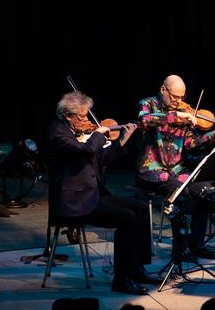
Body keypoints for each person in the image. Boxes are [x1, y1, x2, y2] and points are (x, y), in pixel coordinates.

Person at [44, 91, 160, 295]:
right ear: (68, 116)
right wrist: (99, 133)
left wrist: (123, 140)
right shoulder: (58, 134)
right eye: (82, 117)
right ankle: (121, 279)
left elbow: (102, 157)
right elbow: (86, 151)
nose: (87, 121)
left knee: (141, 209)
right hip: (74, 202)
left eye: (87, 115)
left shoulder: (80, 134)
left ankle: (136, 268)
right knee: (126, 218)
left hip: (92, 195)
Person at [135, 74, 215, 261]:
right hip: (152, 170)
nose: (179, 102)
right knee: (180, 195)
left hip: (176, 169)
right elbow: (145, 120)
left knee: (205, 192)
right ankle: (179, 252)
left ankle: (196, 244)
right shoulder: (148, 103)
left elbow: (191, 144)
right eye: (175, 97)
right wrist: (176, 115)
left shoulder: (185, 113)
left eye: (182, 98)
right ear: (163, 90)